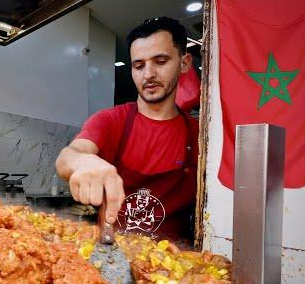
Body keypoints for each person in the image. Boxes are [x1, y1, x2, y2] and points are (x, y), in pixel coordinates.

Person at [56, 16, 199, 242]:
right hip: (112, 257)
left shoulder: (199, 134)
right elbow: (69, 156)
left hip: (177, 265)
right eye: (139, 65)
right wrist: (80, 162)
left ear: (184, 63)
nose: (148, 74)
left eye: (160, 61)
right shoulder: (111, 121)